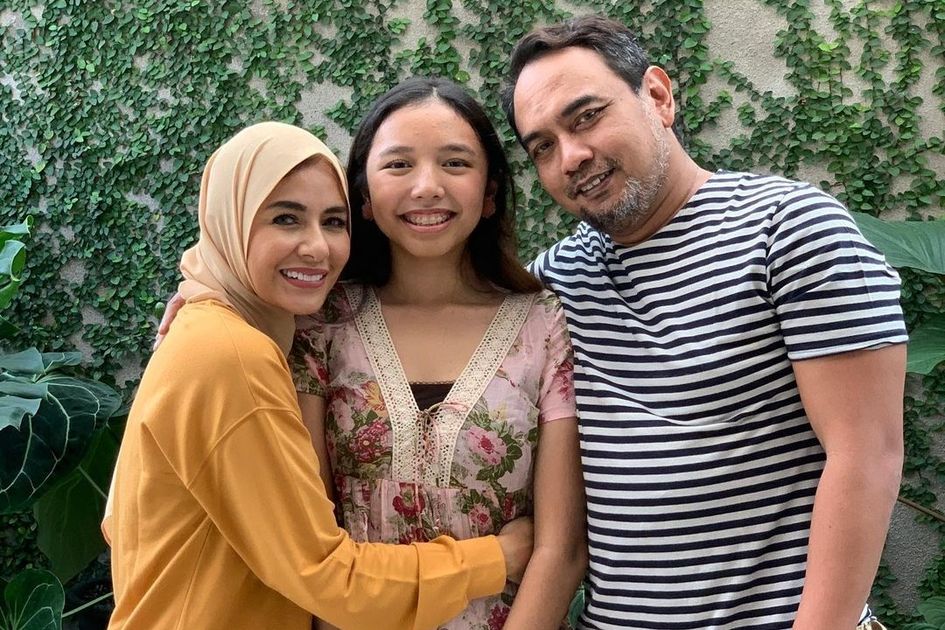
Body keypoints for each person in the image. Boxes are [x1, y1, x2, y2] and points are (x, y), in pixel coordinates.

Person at [501, 15, 906, 630]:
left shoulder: (789, 230)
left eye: (586, 117)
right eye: (543, 147)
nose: (572, 156)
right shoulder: (552, 287)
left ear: (658, 96)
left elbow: (866, 455)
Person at [105, 121, 533, 630]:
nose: (317, 247)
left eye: (333, 222)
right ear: (229, 221)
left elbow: (119, 524)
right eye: (285, 219)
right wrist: (497, 557)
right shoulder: (231, 355)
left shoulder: (211, 331)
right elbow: (328, 576)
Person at [289, 77, 587, 629]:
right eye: (399, 165)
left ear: (490, 193)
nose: (427, 187)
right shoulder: (321, 323)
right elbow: (311, 537)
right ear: (364, 197)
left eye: (454, 163)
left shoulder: (544, 325)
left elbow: (560, 547)